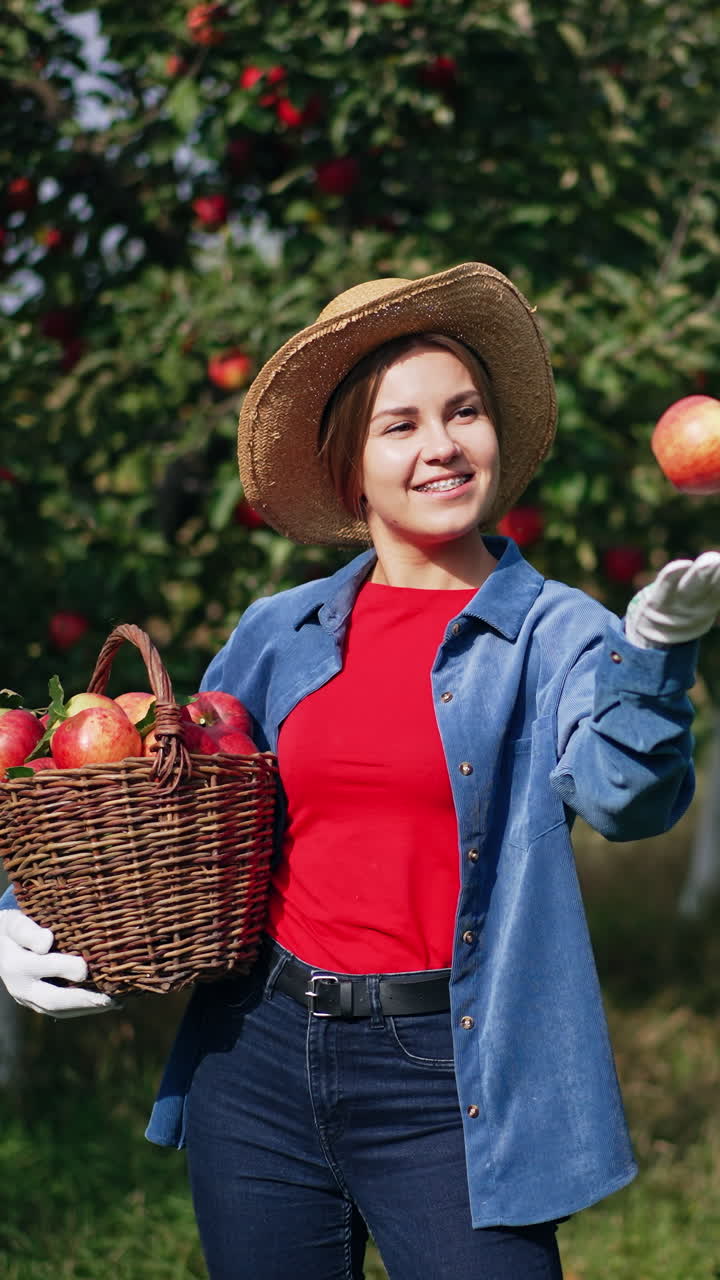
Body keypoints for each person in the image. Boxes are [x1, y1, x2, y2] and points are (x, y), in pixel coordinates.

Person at [2, 261, 720, 1280]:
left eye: (464, 411)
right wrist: (23, 905)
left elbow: (630, 800)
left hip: (452, 1075)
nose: (443, 444)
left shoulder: (558, 629)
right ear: (351, 471)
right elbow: (161, 802)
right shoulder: (279, 632)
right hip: (256, 1054)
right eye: (403, 424)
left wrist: (652, 667)